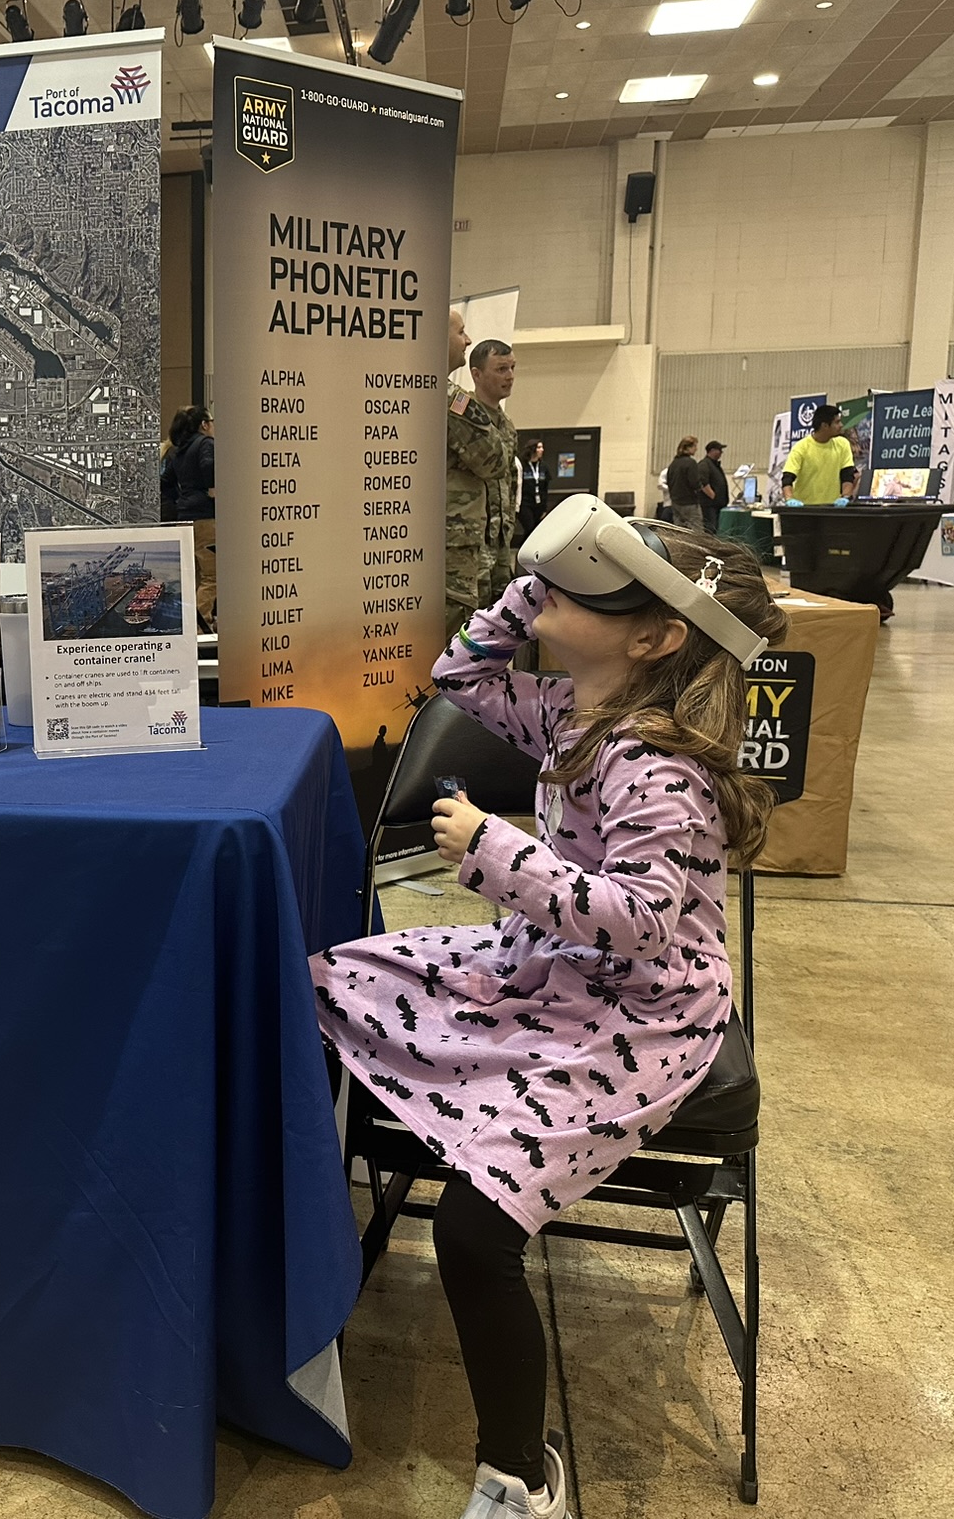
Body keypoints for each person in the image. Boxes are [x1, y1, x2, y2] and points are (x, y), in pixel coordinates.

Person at [312, 533, 788, 1519]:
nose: (550, 594)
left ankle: (520, 1477)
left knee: (471, 1232)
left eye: (588, 589)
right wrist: (530, 589)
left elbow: (641, 920)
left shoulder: (657, 768)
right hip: (550, 968)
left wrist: (500, 853)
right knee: (328, 983)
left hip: (637, 1019)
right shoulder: (574, 710)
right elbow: (458, 678)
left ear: (654, 638)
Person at [447, 339, 518, 636]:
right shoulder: (463, 414)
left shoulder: (506, 425)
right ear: (476, 374)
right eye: (501, 369)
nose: (509, 376)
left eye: (512, 368)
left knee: (498, 625)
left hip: (498, 540)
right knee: (465, 624)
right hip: (468, 541)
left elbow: (509, 483)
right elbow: (490, 466)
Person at [169, 404, 216, 632]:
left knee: (194, 577)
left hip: (185, 518)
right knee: (213, 576)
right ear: (204, 424)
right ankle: (199, 627)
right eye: (211, 422)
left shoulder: (179, 449)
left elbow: (166, 481)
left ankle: (189, 625)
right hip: (205, 518)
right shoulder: (205, 444)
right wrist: (212, 487)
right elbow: (209, 466)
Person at [782, 405, 857, 505]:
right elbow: (787, 478)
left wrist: (846, 497)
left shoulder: (843, 444)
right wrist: (789, 499)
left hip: (832, 508)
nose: (841, 425)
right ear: (824, 425)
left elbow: (847, 476)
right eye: (837, 422)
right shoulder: (801, 448)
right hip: (804, 508)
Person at [665, 437, 709, 530]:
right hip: (689, 502)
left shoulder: (674, 463)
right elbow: (694, 483)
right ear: (687, 448)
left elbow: (669, 481)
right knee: (696, 529)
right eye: (694, 446)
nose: (696, 449)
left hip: (676, 502)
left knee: (680, 529)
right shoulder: (691, 463)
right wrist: (700, 488)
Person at [516, 438, 548, 543]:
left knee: (536, 530)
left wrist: (544, 508)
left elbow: (545, 488)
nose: (542, 450)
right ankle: (523, 549)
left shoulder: (543, 467)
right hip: (525, 503)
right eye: (539, 447)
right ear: (532, 449)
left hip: (538, 504)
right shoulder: (522, 465)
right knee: (529, 528)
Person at [699, 440, 731, 521]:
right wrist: (713, 496)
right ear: (712, 450)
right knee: (711, 526)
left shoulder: (715, 465)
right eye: (719, 450)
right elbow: (702, 482)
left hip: (717, 505)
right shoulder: (704, 464)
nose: (721, 452)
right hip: (710, 506)